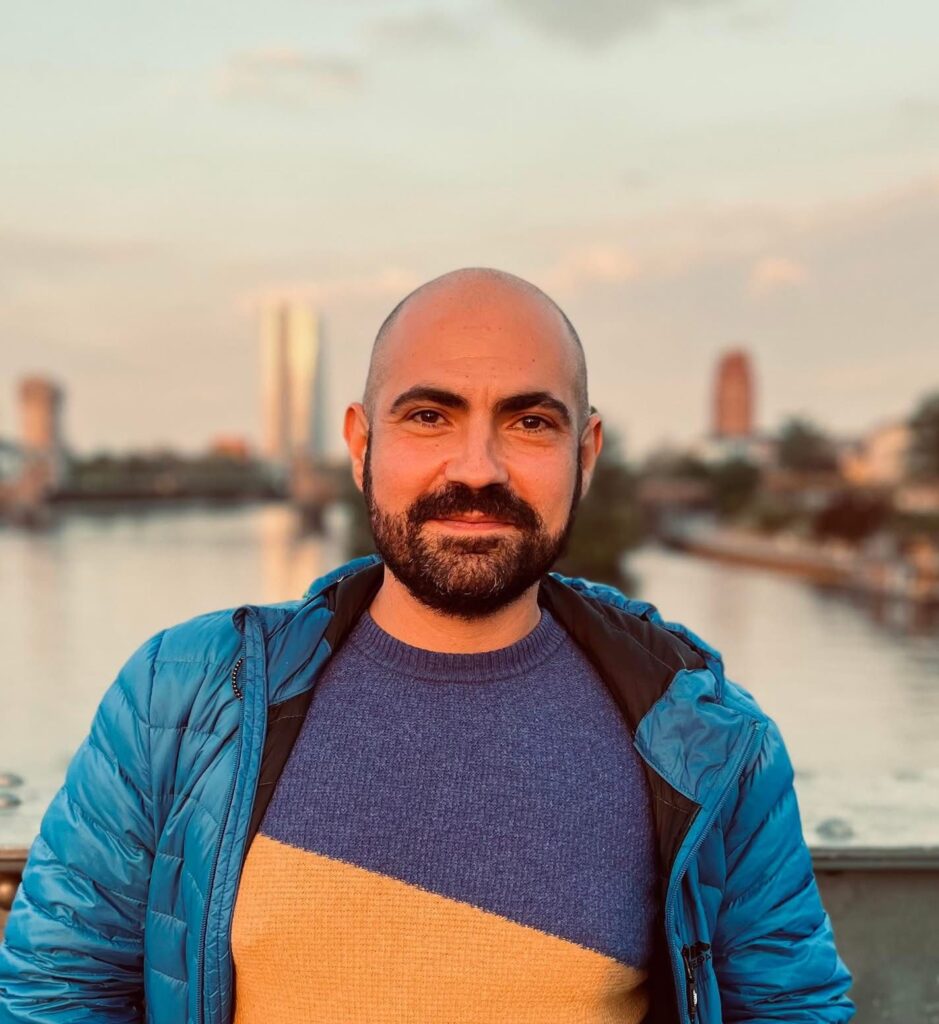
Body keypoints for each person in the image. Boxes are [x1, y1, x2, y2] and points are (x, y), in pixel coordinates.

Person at [0, 267, 854, 1024]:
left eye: (529, 422)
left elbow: (790, 1010)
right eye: (428, 416)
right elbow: (57, 991)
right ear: (360, 445)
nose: (476, 468)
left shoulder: (713, 744)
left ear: (585, 454)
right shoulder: (178, 700)